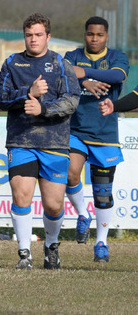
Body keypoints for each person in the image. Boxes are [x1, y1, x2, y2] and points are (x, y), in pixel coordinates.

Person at [0, 13, 80, 270]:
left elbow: (71, 101)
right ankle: (24, 254)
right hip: (21, 140)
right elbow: (0, 98)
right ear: (25, 36)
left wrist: (43, 109)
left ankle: (51, 246)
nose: (33, 39)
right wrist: (27, 94)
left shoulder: (61, 64)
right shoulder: (12, 63)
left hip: (54, 142)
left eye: (38, 35)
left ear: (48, 37)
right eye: (29, 35)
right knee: (21, 195)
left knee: (53, 205)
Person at [62, 16, 128, 263]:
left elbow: (117, 76)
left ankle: (101, 241)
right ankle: (82, 214)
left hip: (104, 134)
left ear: (106, 36)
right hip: (75, 130)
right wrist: (85, 82)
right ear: (85, 35)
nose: (94, 39)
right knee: (70, 173)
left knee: (103, 193)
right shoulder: (72, 54)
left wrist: (84, 73)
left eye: (99, 35)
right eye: (90, 34)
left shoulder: (117, 58)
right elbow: (61, 72)